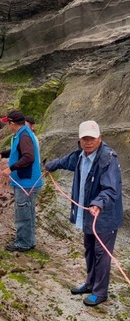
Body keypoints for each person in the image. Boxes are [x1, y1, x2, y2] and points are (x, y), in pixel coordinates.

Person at [45, 120, 123, 306]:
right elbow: (65, 161)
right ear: (79, 140)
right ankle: (90, 283)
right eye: (85, 138)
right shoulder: (80, 155)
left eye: (92, 138)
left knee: (101, 254)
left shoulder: (108, 158)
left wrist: (98, 203)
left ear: (100, 138)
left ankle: (100, 292)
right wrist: (50, 166)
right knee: (89, 249)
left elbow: (112, 189)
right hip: (88, 215)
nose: (88, 142)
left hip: (104, 216)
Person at [0, 110, 43, 251]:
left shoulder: (24, 136)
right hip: (27, 183)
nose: (8, 126)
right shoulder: (22, 134)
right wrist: (1, 155)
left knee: (23, 214)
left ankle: (24, 243)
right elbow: (17, 151)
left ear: (12, 123)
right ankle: (29, 240)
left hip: (26, 183)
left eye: (8, 123)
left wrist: (11, 168)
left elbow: (28, 157)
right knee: (28, 212)